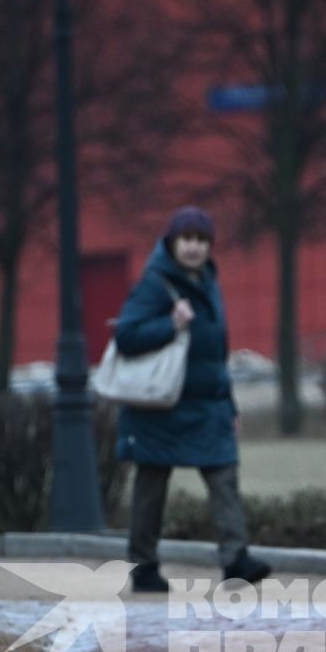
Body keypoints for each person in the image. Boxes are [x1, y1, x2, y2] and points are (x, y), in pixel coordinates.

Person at [110, 206, 270, 592]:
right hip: (160, 403)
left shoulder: (209, 282)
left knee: (224, 477)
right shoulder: (155, 284)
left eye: (201, 240)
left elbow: (217, 351)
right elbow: (126, 336)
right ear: (173, 242)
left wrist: (229, 405)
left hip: (208, 403)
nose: (194, 247)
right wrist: (172, 324)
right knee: (151, 487)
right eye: (187, 239)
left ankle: (235, 559)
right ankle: (143, 566)